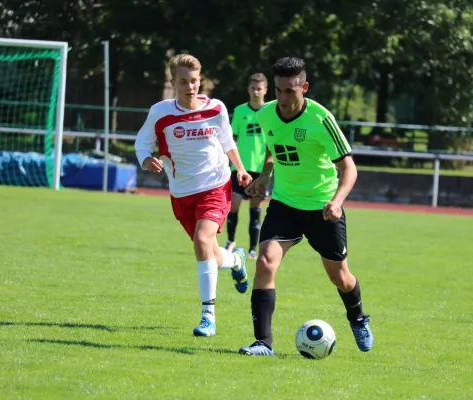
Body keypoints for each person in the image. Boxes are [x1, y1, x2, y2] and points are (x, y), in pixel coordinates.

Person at [237, 57, 373, 356]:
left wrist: (337, 202)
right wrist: (264, 176)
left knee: (341, 277)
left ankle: (358, 317)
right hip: (285, 204)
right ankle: (263, 343)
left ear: (305, 87)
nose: (283, 98)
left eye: (290, 91)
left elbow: (349, 168)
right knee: (264, 262)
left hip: (322, 207)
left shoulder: (320, 119)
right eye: (278, 90)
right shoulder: (267, 115)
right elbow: (274, 148)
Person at [134, 54, 252, 338]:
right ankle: (236, 262)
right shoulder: (160, 113)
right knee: (208, 250)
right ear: (174, 83)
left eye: (195, 81)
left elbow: (226, 141)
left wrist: (241, 169)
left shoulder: (216, 108)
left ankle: (208, 316)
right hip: (182, 193)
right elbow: (141, 143)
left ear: (201, 80)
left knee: (202, 240)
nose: (191, 86)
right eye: (184, 81)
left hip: (216, 185)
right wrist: (146, 160)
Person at [225, 73, 269, 259]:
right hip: (240, 168)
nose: (256, 91)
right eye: (253, 87)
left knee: (255, 208)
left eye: (260, 88)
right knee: (233, 204)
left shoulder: (271, 111)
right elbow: (231, 139)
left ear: (265, 90)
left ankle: (252, 248)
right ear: (248, 89)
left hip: (261, 169)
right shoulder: (240, 111)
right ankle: (230, 240)